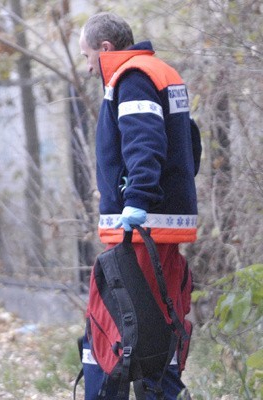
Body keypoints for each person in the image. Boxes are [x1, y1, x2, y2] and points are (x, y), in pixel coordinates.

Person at [78, 12, 201, 399]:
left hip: (141, 229)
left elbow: (145, 142)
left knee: (110, 326)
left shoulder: (130, 79)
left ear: (105, 49)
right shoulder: (162, 72)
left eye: (86, 56)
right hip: (160, 226)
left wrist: (136, 198)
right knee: (159, 323)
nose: (86, 66)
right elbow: (189, 144)